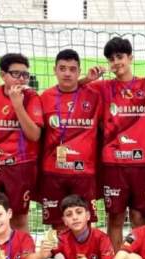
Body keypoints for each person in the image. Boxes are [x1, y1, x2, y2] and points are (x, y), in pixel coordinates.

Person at [84, 37, 145, 248]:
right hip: (113, 165)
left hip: (142, 165)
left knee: (140, 218)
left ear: (130, 58)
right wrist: (87, 79)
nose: (116, 62)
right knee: (115, 218)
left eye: (120, 57)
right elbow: (71, 88)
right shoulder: (102, 87)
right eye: (111, 59)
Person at [38, 49, 102, 230]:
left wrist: (87, 80)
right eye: (62, 68)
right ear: (54, 70)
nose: (67, 73)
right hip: (53, 171)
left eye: (73, 69)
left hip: (84, 172)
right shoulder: (45, 97)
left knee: (85, 224)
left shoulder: (94, 95)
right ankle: (61, 250)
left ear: (79, 72)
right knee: (59, 225)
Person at [0, 53, 43, 231]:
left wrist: (18, 105)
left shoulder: (32, 97)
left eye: (25, 75)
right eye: (16, 74)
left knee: (18, 219)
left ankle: (21, 251)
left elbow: (34, 135)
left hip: (20, 166)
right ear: (3, 75)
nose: (21, 79)